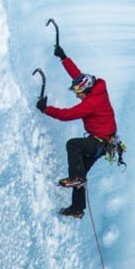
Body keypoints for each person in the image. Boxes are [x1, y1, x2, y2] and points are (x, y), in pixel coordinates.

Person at [36, 43, 118, 219]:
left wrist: (45, 109)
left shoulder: (91, 103)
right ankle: (77, 208)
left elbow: (67, 115)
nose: (76, 95)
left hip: (100, 141)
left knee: (73, 145)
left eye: (78, 93)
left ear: (86, 91)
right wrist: (63, 58)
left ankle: (76, 182)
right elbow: (77, 75)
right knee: (80, 172)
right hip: (105, 141)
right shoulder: (96, 89)